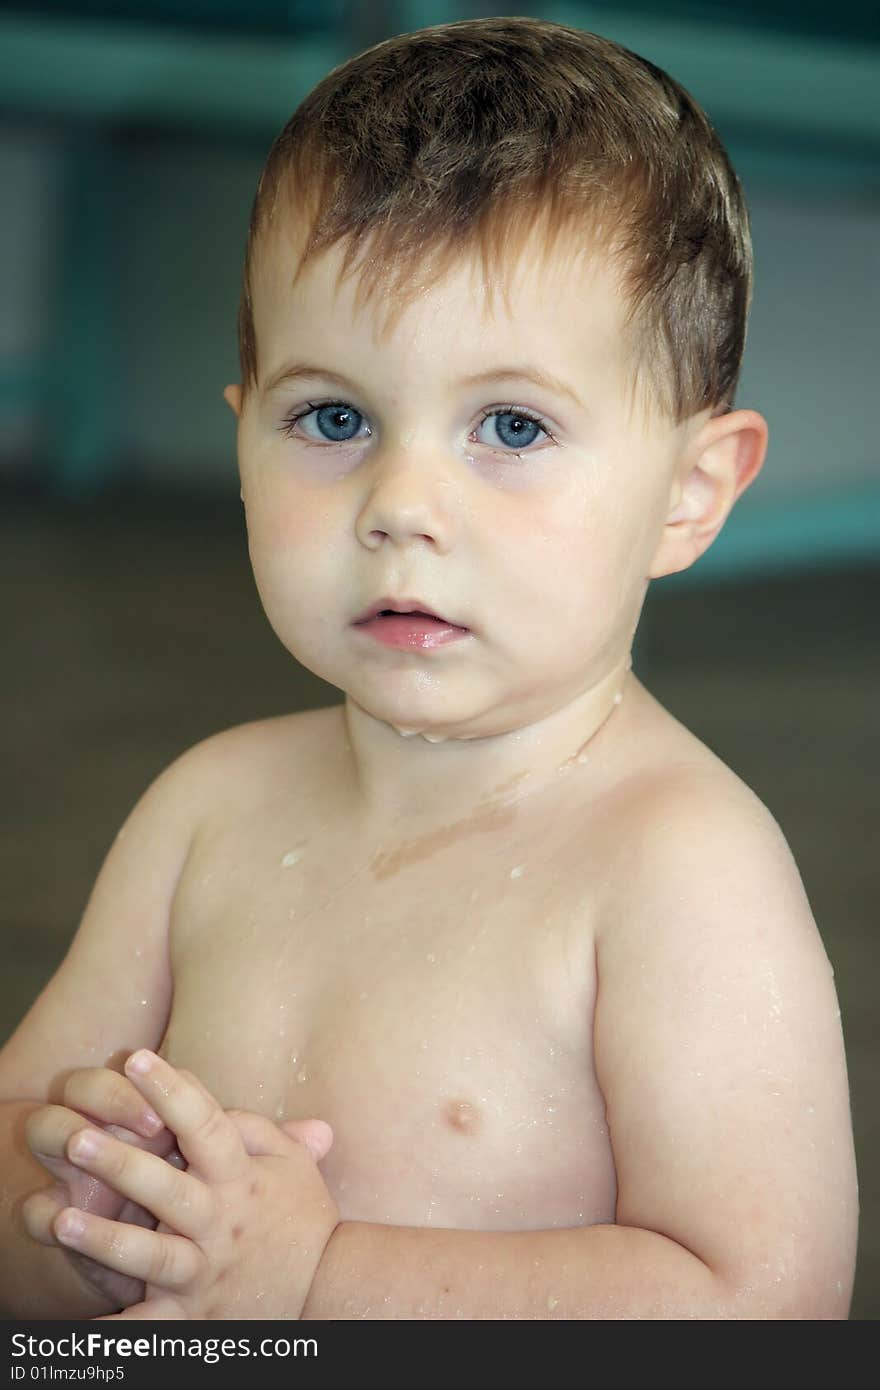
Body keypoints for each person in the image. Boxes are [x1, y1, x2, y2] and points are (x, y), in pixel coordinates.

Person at [0, 16, 858, 1320]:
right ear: (243, 439)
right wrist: (86, 1214)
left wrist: (319, 1280)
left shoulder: (678, 868)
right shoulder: (205, 810)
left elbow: (764, 1298)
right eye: (333, 418)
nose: (402, 502)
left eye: (509, 425)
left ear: (689, 495)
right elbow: (21, 1135)